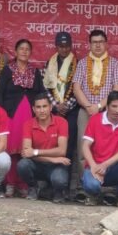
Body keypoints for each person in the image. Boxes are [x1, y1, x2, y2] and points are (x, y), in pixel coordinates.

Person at [72, 30, 118, 199]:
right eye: (94, 42)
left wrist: (100, 106)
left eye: (101, 41)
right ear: (89, 44)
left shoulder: (114, 64)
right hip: (86, 111)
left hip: (108, 113)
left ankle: (108, 189)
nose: (97, 45)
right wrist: (89, 106)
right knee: (83, 149)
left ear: (106, 44)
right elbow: (76, 88)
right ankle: (84, 186)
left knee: (109, 149)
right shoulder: (82, 63)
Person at [0, 39, 45, 197]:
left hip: (29, 116)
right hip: (11, 115)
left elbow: (41, 93)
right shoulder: (7, 70)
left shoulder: (35, 72)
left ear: (30, 53)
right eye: (21, 49)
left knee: (25, 150)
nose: (24, 51)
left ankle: (23, 184)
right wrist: (0, 115)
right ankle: (10, 183)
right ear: (16, 52)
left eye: (27, 49)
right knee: (10, 150)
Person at [80, 90, 118, 209]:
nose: (117, 110)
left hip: (114, 167)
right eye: (114, 106)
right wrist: (93, 166)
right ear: (107, 107)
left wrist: (105, 165)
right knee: (92, 186)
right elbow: (85, 146)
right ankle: (94, 195)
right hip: (96, 166)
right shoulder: (95, 119)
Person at [17, 92, 70, 203]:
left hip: (56, 166)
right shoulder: (28, 124)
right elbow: (26, 153)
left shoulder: (62, 122)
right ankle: (33, 187)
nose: (42, 110)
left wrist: (35, 152)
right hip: (38, 164)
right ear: (33, 109)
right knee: (23, 165)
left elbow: (62, 151)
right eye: (38, 107)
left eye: (44, 106)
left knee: (59, 180)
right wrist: (52, 159)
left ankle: (57, 191)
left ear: (50, 107)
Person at [43, 31, 79, 189]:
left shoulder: (78, 64)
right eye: (61, 46)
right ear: (56, 47)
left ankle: (66, 185)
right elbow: (45, 87)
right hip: (53, 110)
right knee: (50, 144)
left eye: (67, 46)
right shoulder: (49, 63)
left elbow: (79, 87)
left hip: (71, 111)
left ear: (71, 46)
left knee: (68, 147)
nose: (64, 49)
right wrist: (56, 105)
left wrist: (67, 105)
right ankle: (49, 183)